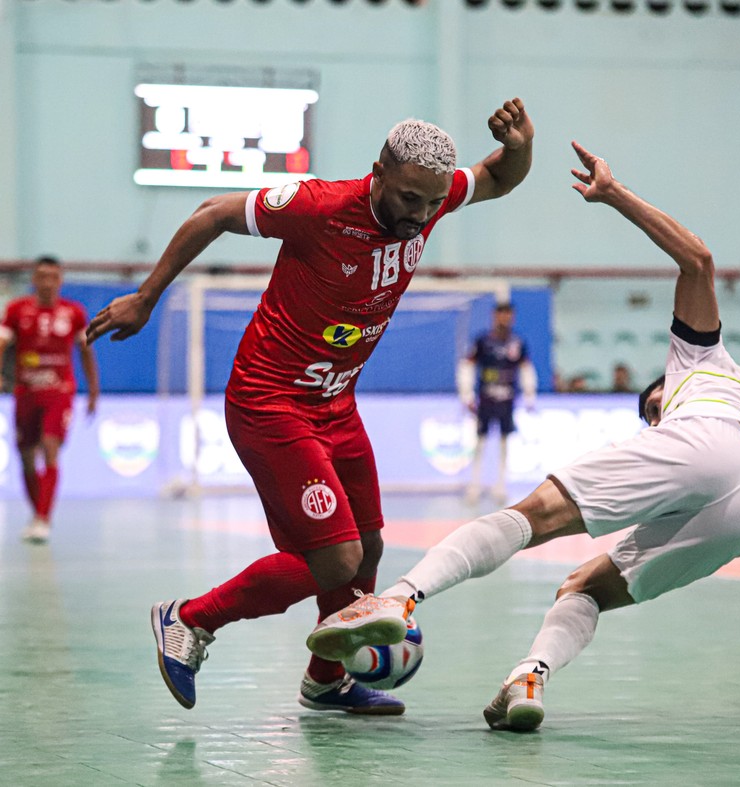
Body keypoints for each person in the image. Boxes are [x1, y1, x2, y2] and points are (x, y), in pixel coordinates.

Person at [308, 142, 740, 731]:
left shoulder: (700, 361)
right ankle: (529, 676)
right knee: (583, 586)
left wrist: (613, 194)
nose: (653, 421)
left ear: (665, 387)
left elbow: (697, 259)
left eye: (651, 412)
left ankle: (402, 595)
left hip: (708, 442)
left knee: (533, 516)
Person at [85, 98, 534, 713]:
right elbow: (212, 214)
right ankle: (190, 619)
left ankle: (327, 680)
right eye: (408, 199)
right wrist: (146, 295)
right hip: (270, 403)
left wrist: (518, 146)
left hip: (335, 405)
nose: (421, 215)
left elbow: (499, 178)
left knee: (369, 547)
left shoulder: (430, 196)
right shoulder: (317, 207)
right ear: (377, 171)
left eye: (432, 204)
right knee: (333, 561)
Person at [0, 256, 99, 544]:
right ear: (33, 279)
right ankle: (37, 514)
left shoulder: (74, 312)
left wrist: (93, 391)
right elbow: (3, 341)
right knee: (26, 457)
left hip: (59, 391)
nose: (46, 282)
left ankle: (43, 519)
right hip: (26, 392)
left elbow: (86, 351)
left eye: (52, 276)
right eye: (41, 276)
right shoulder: (17, 310)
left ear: (60, 280)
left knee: (49, 446)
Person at [457, 302, 536, 505]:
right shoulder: (483, 341)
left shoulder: (517, 342)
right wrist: (466, 393)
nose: (504, 319)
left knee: (504, 441)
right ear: (494, 316)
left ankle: (501, 484)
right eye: (501, 315)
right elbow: (468, 365)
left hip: (507, 399)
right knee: (480, 441)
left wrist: (529, 393)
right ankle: (475, 484)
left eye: (508, 315)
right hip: (486, 398)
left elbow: (526, 367)